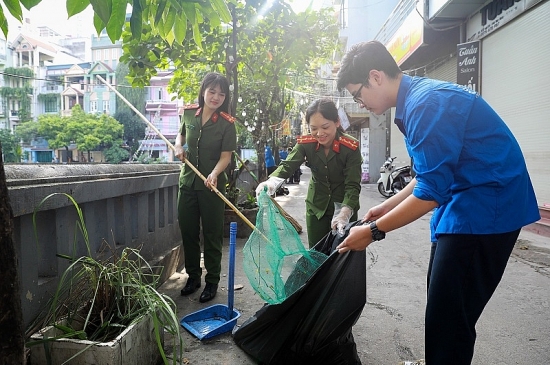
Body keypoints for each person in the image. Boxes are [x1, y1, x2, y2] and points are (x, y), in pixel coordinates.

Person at [335, 41, 540, 364]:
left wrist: (373, 231)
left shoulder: (424, 104)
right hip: (468, 202)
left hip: (486, 210)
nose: (360, 101)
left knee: (449, 318)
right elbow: (429, 173)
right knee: (444, 306)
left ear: (375, 77)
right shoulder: (417, 100)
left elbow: (431, 192)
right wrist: (386, 207)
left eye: (358, 93)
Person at [256, 98, 363, 248]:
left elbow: (352, 185)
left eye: (325, 127)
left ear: (337, 122)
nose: (319, 134)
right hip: (316, 207)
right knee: (317, 253)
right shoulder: (307, 144)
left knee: (343, 254)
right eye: (313, 128)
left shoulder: (350, 147)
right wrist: (271, 182)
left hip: (344, 205)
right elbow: (288, 165)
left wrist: (345, 212)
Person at [174, 72, 237, 303]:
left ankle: (212, 281)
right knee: (189, 232)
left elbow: (226, 156)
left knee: (211, 234)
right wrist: (178, 147)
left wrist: (214, 173)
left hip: (212, 186)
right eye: (212, 91)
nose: (216, 97)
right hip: (187, 182)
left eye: (221, 93)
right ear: (203, 91)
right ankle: (193, 276)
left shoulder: (227, 124)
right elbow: (180, 136)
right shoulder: (189, 112)